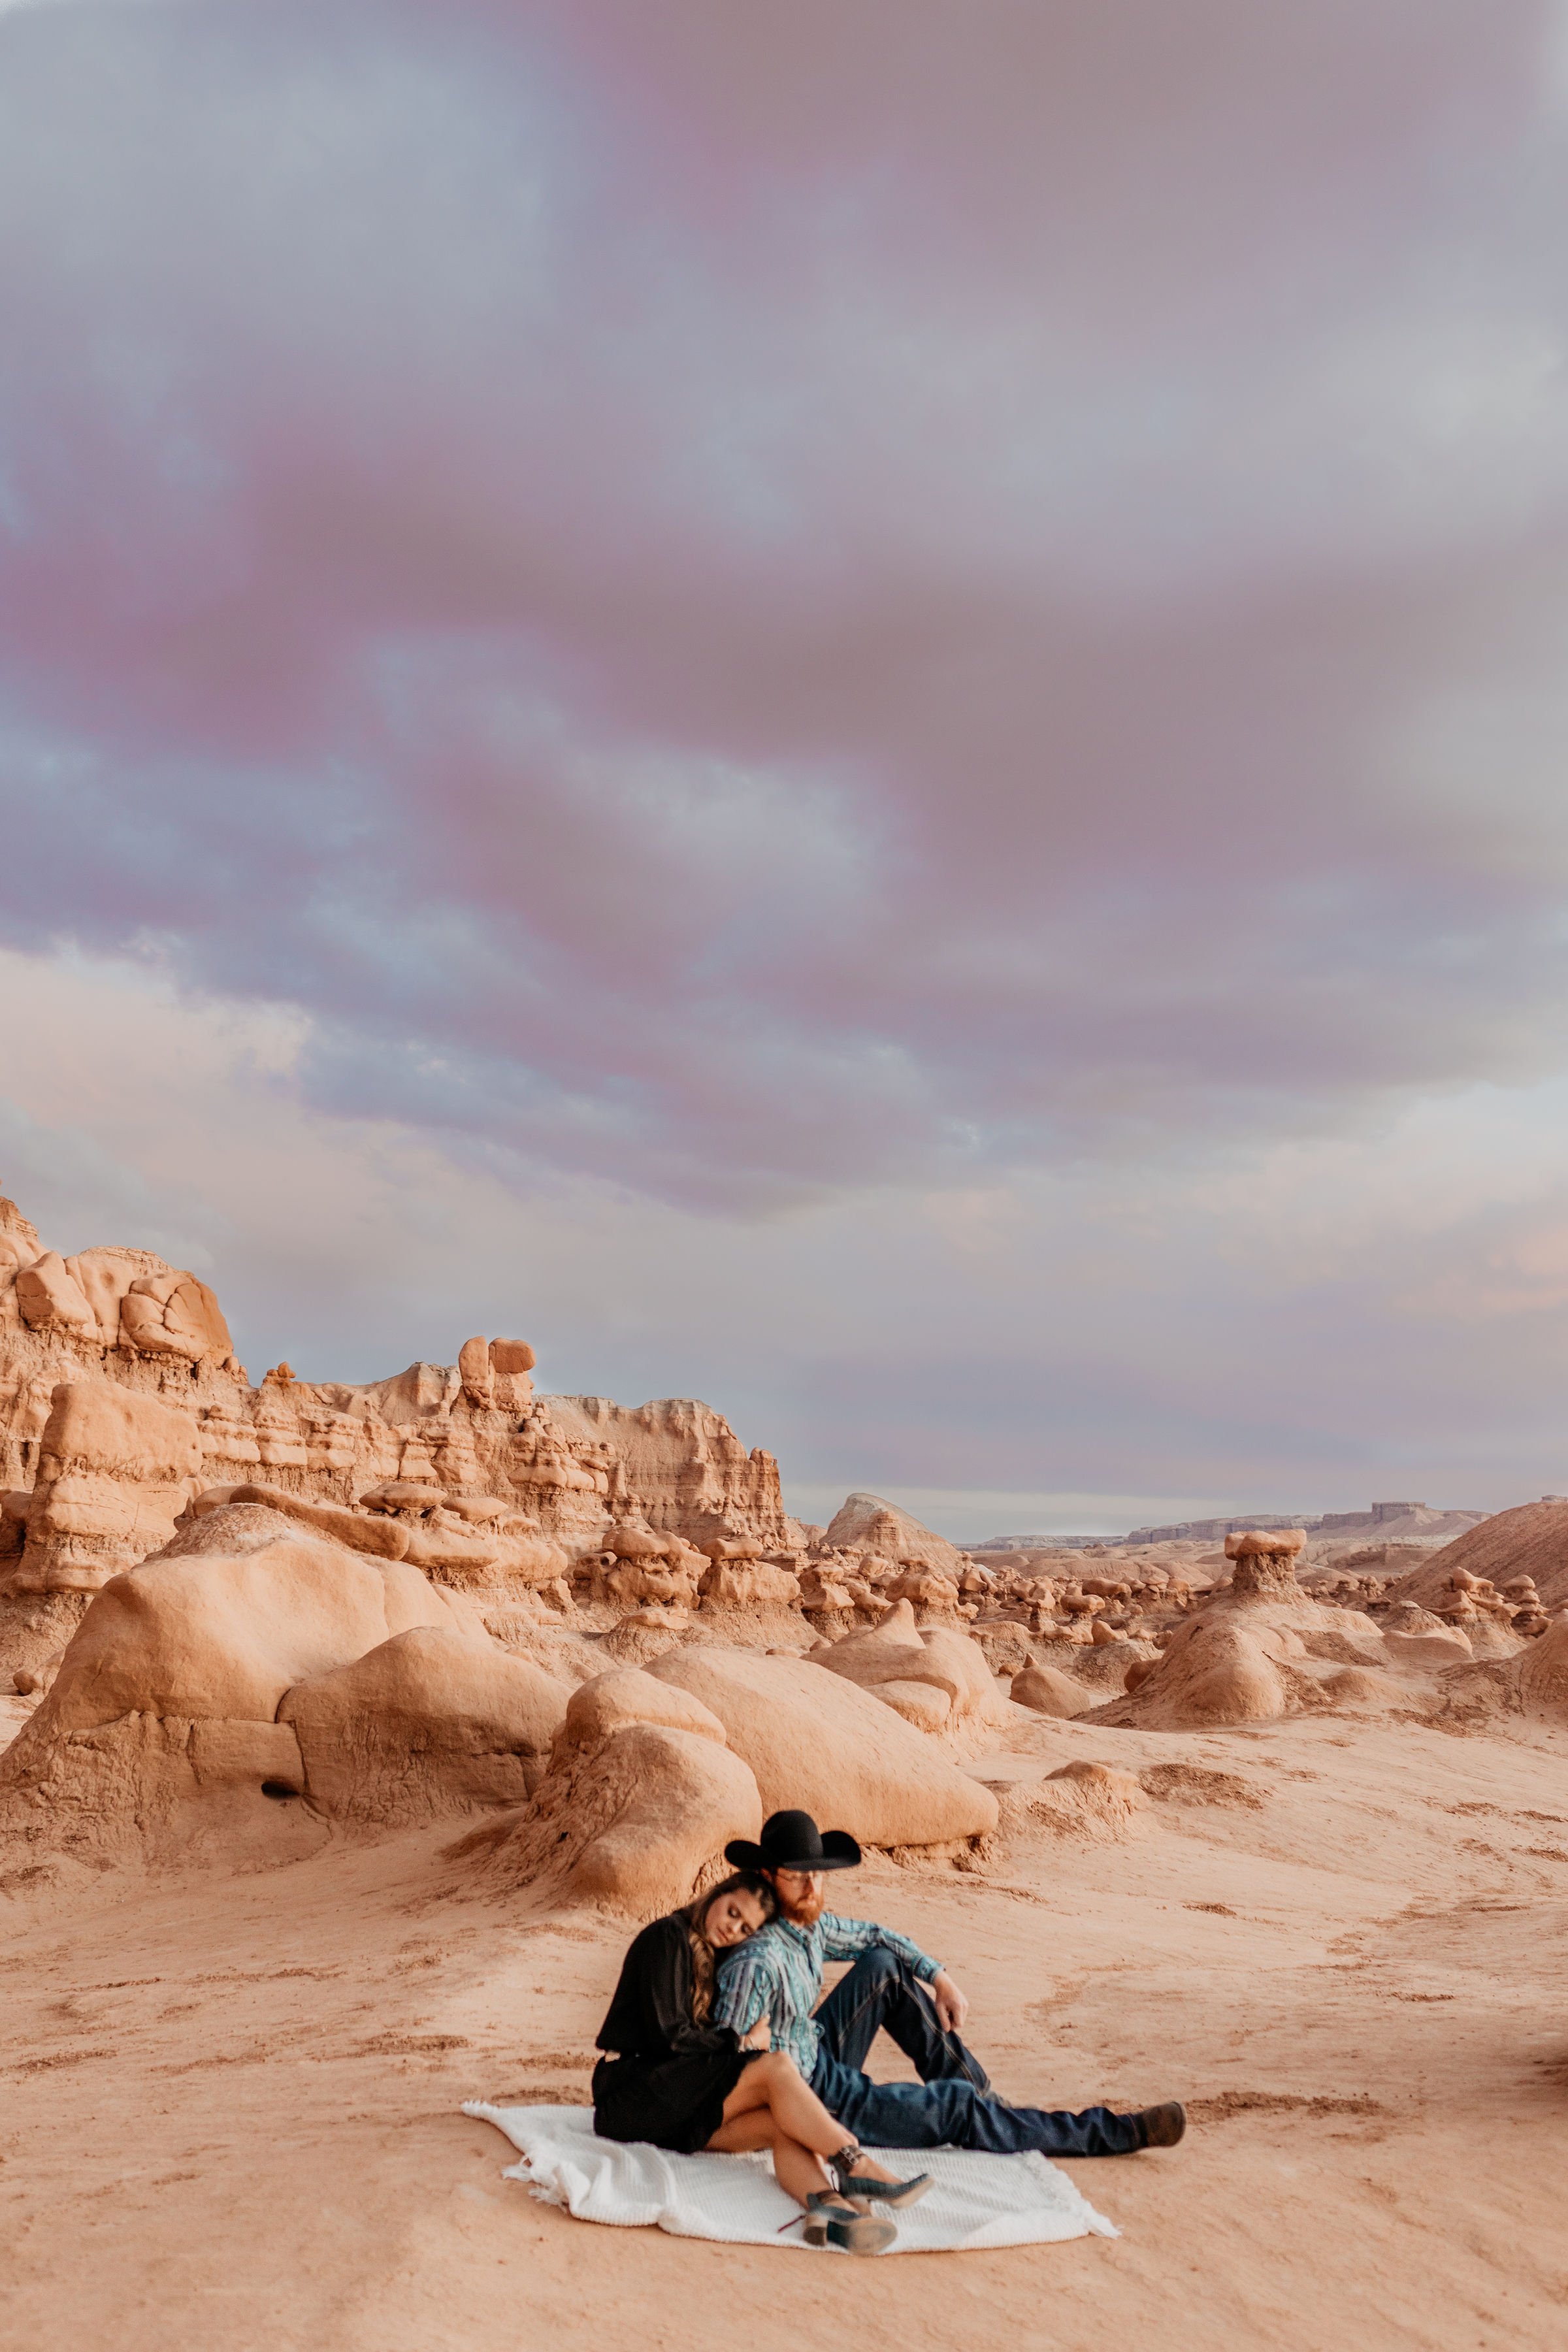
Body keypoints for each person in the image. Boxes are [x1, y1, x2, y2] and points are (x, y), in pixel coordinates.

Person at [715, 1811, 1186, 2161]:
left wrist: (939, 1977)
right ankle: (1115, 2132)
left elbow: (878, 1937)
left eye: (818, 1874)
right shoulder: (759, 1958)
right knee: (957, 2110)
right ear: (766, 1876)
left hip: (815, 2054)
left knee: (883, 1966)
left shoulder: (805, 1924)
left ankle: (982, 2098)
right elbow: (721, 2064)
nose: (812, 1887)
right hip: (807, 2094)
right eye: (797, 1877)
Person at [591, 1869, 931, 2253]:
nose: (734, 1929)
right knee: (774, 2065)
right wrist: (742, 2043)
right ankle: (856, 2165)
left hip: (670, 2107)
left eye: (746, 1928)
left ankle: (833, 2208)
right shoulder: (669, 1936)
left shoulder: (712, 1955)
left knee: (780, 2125)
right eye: (733, 1912)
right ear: (716, 1895)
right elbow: (669, 2036)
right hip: (632, 2094)